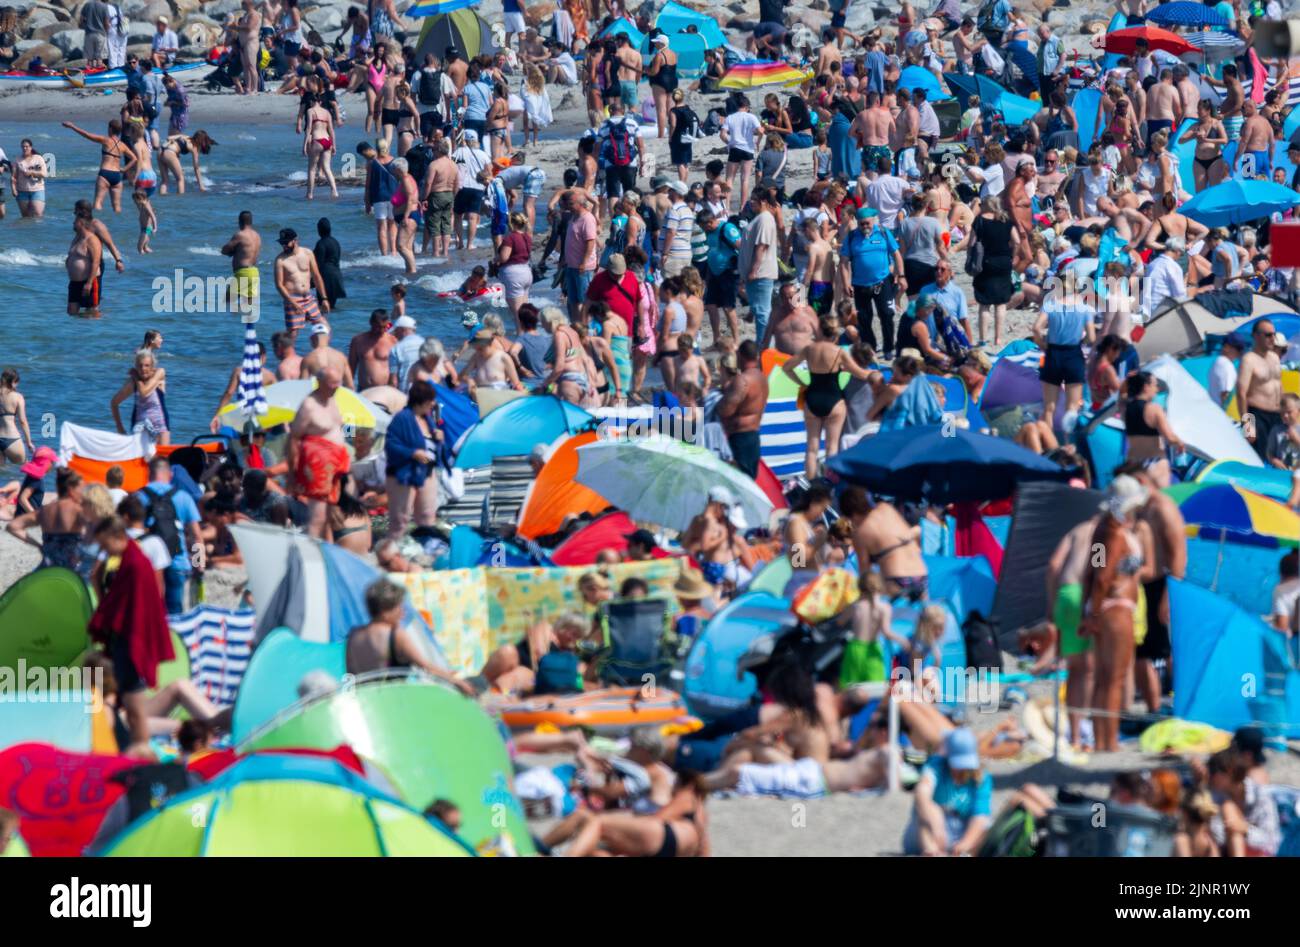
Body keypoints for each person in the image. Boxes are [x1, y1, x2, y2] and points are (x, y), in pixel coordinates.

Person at [87, 515, 173, 755]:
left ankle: (141, 753)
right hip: (126, 640)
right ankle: (138, 749)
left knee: (136, 710)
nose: (104, 551)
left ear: (117, 537)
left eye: (105, 545)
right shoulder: (130, 559)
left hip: (132, 642)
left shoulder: (134, 564)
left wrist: (103, 622)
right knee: (132, 708)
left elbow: (131, 608)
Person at [783, 315, 873, 478]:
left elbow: (787, 367)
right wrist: (875, 374)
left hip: (812, 398)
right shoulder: (839, 352)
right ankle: (831, 483)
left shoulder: (809, 349)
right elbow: (860, 373)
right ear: (835, 333)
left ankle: (811, 486)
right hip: (834, 401)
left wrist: (802, 383)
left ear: (819, 331)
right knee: (832, 447)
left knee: (812, 447)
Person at [347, 578, 473, 693]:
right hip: (392, 702)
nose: (403, 611)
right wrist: (457, 681)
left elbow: (352, 676)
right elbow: (427, 668)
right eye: (398, 607)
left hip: (365, 701)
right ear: (384, 611)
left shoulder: (354, 635)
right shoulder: (396, 634)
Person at [903, 728, 992, 856]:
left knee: (987, 826)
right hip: (930, 833)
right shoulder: (936, 765)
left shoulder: (981, 777)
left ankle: (965, 852)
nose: (962, 768)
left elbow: (980, 815)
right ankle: (932, 851)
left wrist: (966, 842)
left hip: (960, 830)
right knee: (923, 812)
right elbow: (922, 791)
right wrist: (935, 816)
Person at [132, 456, 201, 615]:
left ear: (149, 474)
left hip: (148, 563)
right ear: (169, 474)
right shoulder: (184, 497)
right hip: (177, 561)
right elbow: (197, 535)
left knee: (148, 610)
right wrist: (199, 564)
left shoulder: (138, 497)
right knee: (175, 610)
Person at [287, 366, 350, 538]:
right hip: (316, 467)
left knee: (330, 515)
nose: (336, 387)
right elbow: (294, 438)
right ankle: (310, 556)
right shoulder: (309, 405)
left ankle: (327, 551)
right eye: (332, 383)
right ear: (320, 382)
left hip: (334, 466)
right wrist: (292, 473)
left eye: (339, 383)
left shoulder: (333, 400)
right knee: (318, 517)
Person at [841, 206, 904, 358]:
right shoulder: (851, 237)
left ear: (873, 221)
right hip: (860, 285)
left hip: (882, 283)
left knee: (887, 315)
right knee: (864, 319)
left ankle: (888, 348)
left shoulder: (883, 233)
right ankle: (871, 348)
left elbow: (896, 254)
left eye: (867, 223)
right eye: (861, 224)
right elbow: (844, 262)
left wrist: (900, 274)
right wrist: (845, 283)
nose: (865, 227)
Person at [384, 380, 441, 542]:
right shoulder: (401, 418)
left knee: (427, 517)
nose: (433, 404)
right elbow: (390, 445)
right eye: (431, 400)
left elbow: (433, 446)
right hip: (403, 473)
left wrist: (439, 438)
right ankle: (390, 553)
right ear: (422, 401)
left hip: (426, 471)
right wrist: (412, 453)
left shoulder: (427, 419)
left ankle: (427, 550)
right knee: (400, 521)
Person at [718, 341, 768, 479]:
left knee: (737, 482)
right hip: (753, 437)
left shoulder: (743, 380)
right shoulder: (762, 377)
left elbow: (725, 410)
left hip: (740, 439)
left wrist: (720, 396)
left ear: (740, 355)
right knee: (749, 481)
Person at [274, 227, 331, 344]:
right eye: (282, 243)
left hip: (308, 298)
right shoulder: (280, 260)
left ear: (295, 240)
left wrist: (324, 298)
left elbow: (316, 276)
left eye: (286, 243)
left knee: (324, 327)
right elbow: (279, 285)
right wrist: (292, 303)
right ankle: (288, 358)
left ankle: (321, 354)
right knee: (292, 336)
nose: (284, 246)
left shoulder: (308, 253)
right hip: (292, 300)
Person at [739, 188, 780, 345]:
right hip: (757, 274)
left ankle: (764, 346)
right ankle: (762, 343)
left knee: (763, 313)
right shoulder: (760, 218)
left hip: (761, 274)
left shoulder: (764, 218)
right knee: (759, 311)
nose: (751, 202)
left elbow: (762, 246)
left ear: (763, 201)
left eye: (754, 199)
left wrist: (753, 270)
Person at [1239, 319, 1284, 462]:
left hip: (1277, 416)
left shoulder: (1275, 357)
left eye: (1273, 335)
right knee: (1261, 459)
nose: (1272, 339)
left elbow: (1278, 385)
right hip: (1259, 416)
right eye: (1268, 335)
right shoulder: (1249, 360)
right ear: (1256, 336)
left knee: (1280, 458)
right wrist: (1248, 426)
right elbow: (1241, 393)